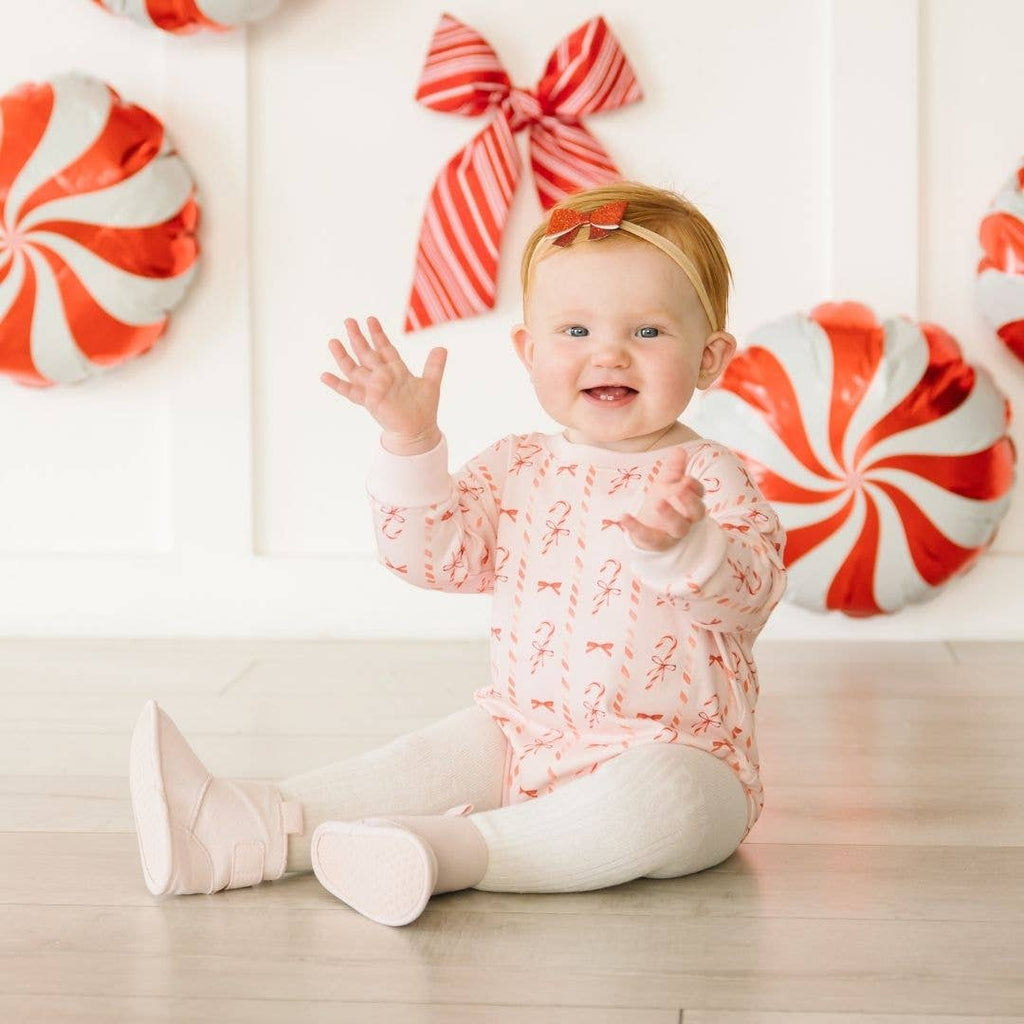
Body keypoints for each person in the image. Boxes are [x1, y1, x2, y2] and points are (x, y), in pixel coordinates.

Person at [129, 181, 787, 927]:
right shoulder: (517, 466)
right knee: (427, 758)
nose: (609, 353)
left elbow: (753, 594)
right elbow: (432, 557)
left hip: (680, 749)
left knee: (664, 802)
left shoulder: (707, 477)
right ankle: (241, 828)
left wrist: (686, 546)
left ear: (709, 358)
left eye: (648, 331)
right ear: (528, 351)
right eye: (575, 330)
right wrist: (410, 441)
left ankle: (442, 852)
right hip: (523, 734)